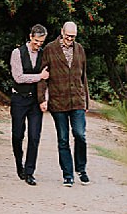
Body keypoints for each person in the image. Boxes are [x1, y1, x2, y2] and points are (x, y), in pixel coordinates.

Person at [37, 21, 91, 187]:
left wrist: (86, 101)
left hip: (77, 100)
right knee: (63, 139)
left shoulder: (80, 49)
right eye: (67, 36)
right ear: (62, 32)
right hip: (58, 101)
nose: (70, 39)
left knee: (80, 135)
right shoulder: (50, 49)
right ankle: (68, 174)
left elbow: (84, 76)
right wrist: (41, 99)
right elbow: (43, 75)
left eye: (73, 37)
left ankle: (81, 169)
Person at [9, 24, 49, 186]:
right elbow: (18, 77)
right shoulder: (17, 53)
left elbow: (47, 80)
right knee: (18, 135)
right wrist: (39, 76)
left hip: (35, 101)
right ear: (31, 37)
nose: (39, 44)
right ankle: (19, 164)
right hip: (19, 99)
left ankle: (30, 171)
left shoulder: (43, 55)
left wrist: (45, 99)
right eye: (37, 41)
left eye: (42, 42)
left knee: (35, 136)